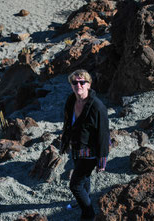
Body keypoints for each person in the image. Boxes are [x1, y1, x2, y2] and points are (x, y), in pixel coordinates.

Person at [60, 69, 110, 220]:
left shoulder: (97, 107)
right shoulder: (71, 100)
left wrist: (102, 159)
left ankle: (89, 214)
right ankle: (83, 202)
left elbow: (103, 134)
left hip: (91, 152)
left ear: (89, 85)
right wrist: (65, 142)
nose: (78, 85)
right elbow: (68, 123)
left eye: (82, 82)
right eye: (75, 82)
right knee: (84, 180)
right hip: (76, 148)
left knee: (75, 185)